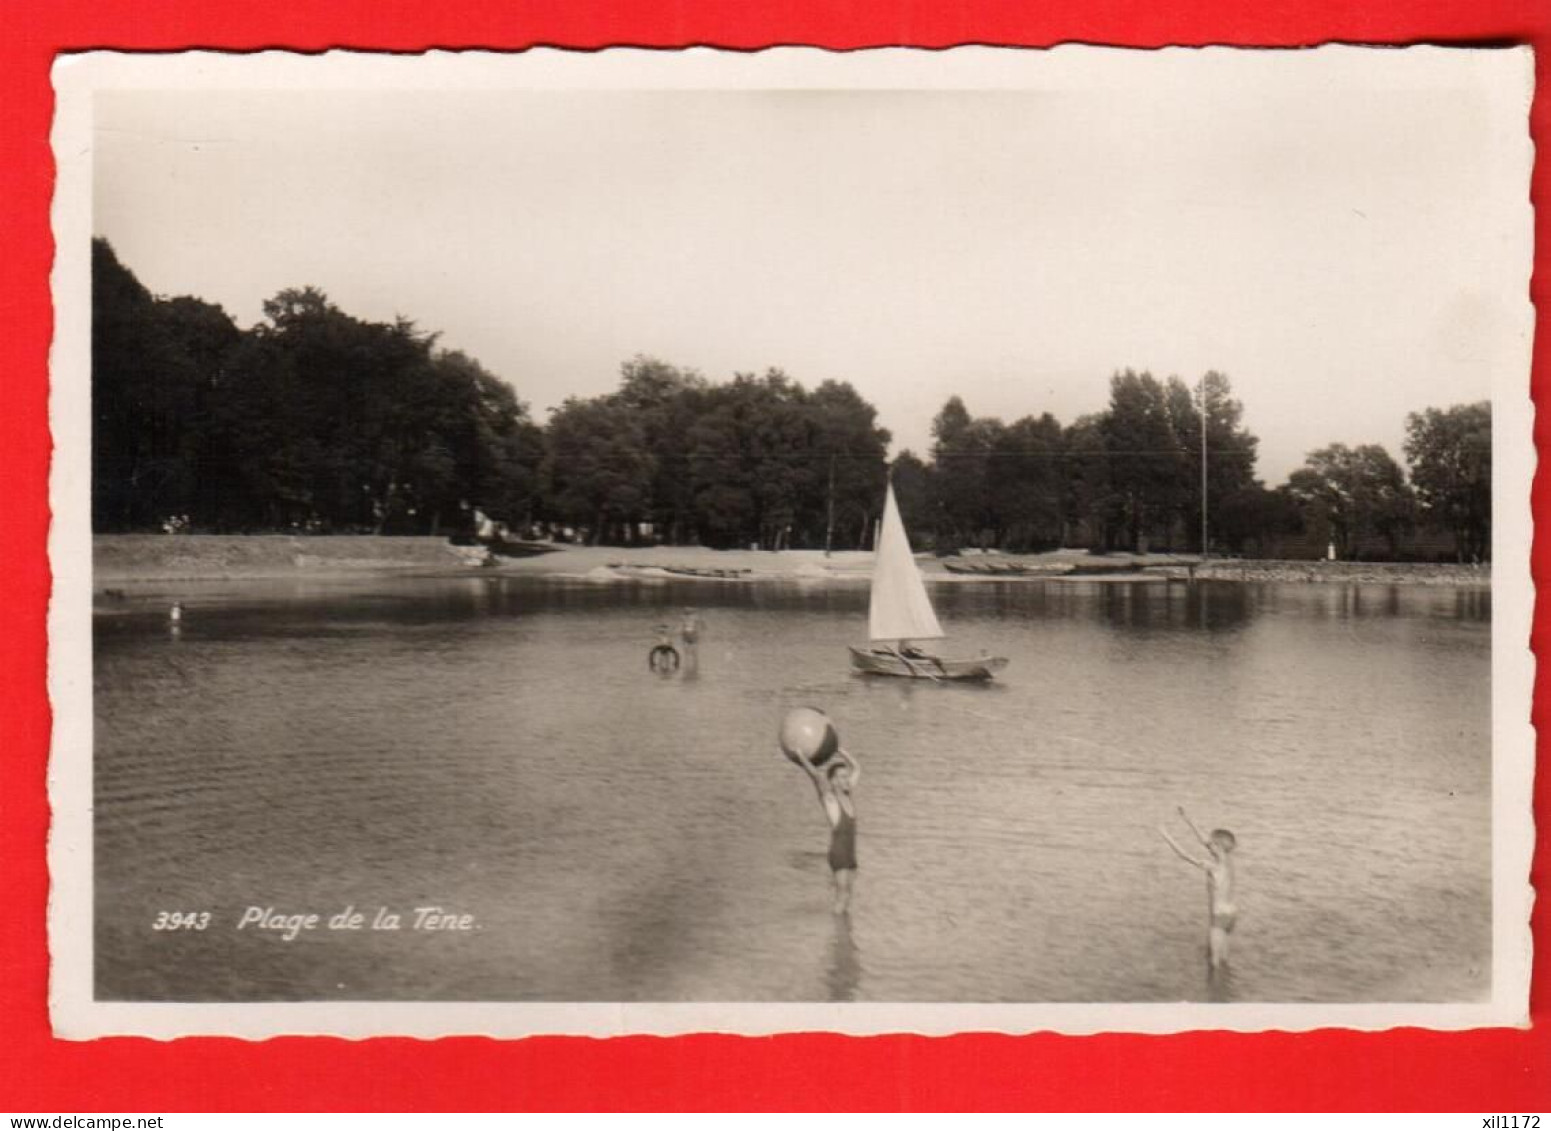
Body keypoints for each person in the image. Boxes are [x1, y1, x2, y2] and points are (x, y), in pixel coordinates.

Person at [1159, 806, 1238, 969]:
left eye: (1211, 845)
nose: (1208, 845)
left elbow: (1184, 855)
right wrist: (1186, 818)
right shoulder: (1229, 862)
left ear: (1217, 847)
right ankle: (1226, 988)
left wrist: (1165, 835)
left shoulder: (1212, 867)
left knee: (1213, 962)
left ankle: (1216, 991)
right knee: (1225, 959)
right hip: (1232, 914)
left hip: (1219, 915)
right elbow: (1204, 840)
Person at [796, 745, 861, 915]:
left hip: (850, 853)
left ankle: (842, 934)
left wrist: (840, 751)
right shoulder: (830, 800)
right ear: (833, 781)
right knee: (842, 896)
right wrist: (801, 757)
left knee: (848, 896)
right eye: (841, 777)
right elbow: (817, 777)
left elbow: (857, 767)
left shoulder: (848, 794)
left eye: (846, 777)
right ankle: (837, 935)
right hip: (839, 853)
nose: (845, 780)